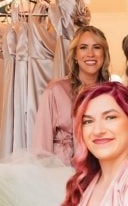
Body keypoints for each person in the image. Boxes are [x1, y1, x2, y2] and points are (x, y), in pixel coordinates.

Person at [32, 25, 111, 164]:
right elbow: (41, 145)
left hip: (102, 172)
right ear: (75, 55)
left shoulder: (112, 94)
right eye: (83, 47)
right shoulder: (56, 90)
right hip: (62, 173)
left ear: (104, 54)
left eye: (97, 47)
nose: (90, 54)